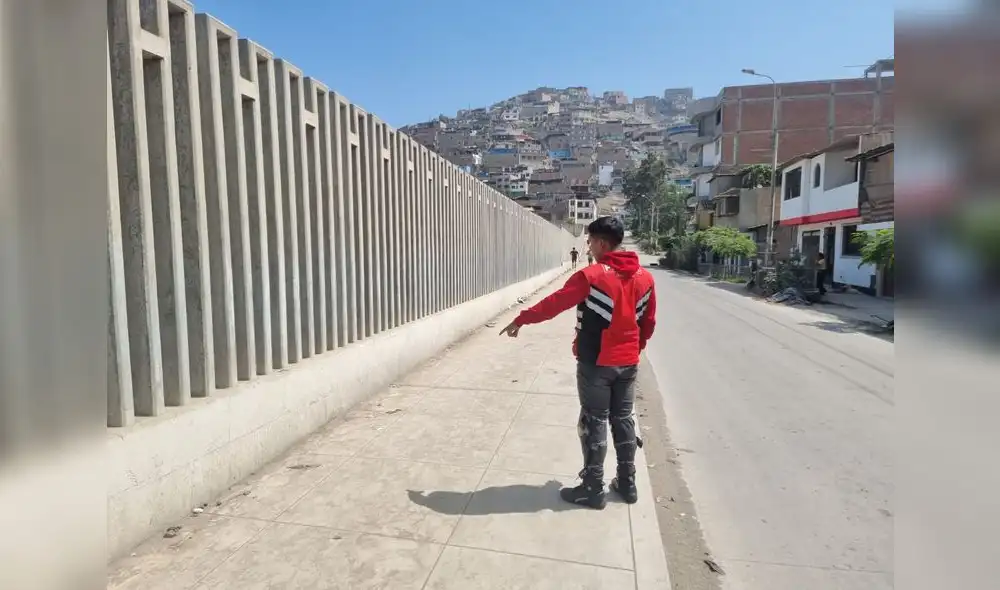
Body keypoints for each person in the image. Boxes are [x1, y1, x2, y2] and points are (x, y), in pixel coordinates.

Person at [499, 216, 657, 509]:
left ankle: (593, 488)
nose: (589, 246)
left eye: (590, 241)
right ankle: (627, 482)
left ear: (600, 243)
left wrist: (522, 318)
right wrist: (635, 349)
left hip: (596, 363)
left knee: (594, 419)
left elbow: (555, 303)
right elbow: (648, 323)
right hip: (628, 362)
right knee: (622, 419)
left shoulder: (593, 276)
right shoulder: (645, 278)